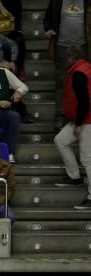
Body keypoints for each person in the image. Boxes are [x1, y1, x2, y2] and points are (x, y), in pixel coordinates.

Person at [55, 46, 91, 209]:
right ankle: (75, 177)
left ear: (72, 57)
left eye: (66, 57)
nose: (65, 60)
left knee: (87, 159)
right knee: (61, 140)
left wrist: (78, 125)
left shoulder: (78, 73)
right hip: (80, 118)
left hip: (86, 120)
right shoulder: (84, 68)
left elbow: (84, 101)